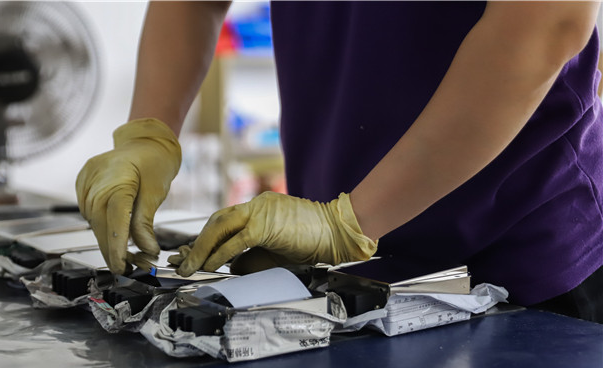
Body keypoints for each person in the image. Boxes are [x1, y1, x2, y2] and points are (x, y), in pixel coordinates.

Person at [76, 1, 603, 323]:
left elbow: (547, 21)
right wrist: (149, 133)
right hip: (347, 269)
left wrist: (349, 222)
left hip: (517, 261)